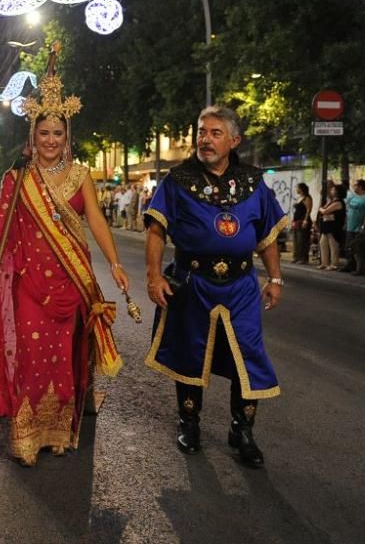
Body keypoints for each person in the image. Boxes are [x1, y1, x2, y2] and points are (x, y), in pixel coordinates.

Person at [0, 70, 129, 466]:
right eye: (44, 133)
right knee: (31, 357)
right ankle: (27, 435)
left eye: (58, 134)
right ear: (33, 135)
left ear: (67, 137)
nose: (51, 141)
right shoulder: (17, 179)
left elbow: (97, 222)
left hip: (70, 282)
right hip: (28, 283)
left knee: (61, 358)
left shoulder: (82, 176)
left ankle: (57, 432)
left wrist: (115, 263)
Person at [144, 105, 287, 468]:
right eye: (201, 132)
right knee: (191, 354)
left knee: (248, 359)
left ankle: (242, 431)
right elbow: (157, 230)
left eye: (214, 133)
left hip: (241, 286)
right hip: (193, 284)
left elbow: (267, 235)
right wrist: (154, 275)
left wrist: (275, 278)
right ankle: (189, 423)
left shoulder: (254, 182)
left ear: (234, 140)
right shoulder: (177, 180)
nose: (204, 139)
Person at [340, 179, 365, 273]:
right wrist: (346, 223)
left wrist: (364, 226)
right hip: (350, 225)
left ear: (361, 186)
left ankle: (363, 267)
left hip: (359, 227)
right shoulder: (352, 197)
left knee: (361, 247)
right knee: (349, 246)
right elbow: (348, 211)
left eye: (355, 185)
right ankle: (350, 265)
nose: (353, 187)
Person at [317, 184, 347, 270]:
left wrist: (321, 209)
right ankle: (324, 262)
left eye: (333, 190)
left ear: (337, 192)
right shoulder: (331, 201)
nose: (331, 191)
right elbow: (324, 208)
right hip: (326, 226)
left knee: (333, 245)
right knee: (323, 243)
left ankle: (334, 264)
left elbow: (325, 210)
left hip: (334, 227)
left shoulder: (338, 202)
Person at [291, 183, 313, 264]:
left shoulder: (307, 198)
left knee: (302, 240)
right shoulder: (299, 197)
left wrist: (305, 220)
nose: (296, 189)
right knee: (296, 240)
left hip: (302, 220)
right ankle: (296, 257)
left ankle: (303, 258)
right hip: (296, 220)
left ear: (301, 189)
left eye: (297, 188)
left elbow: (308, 210)